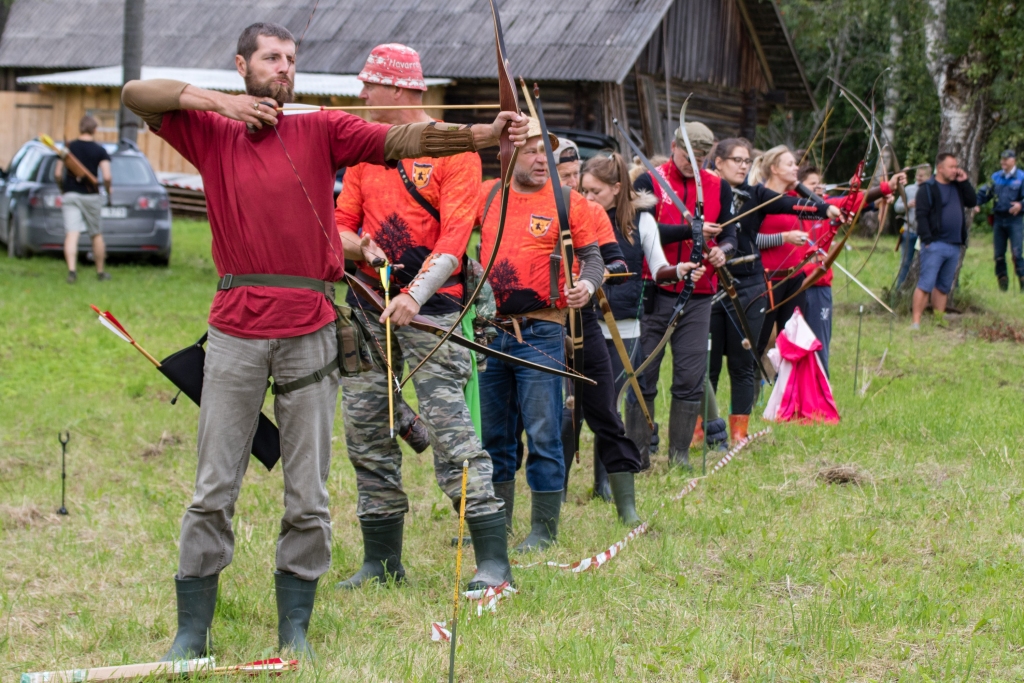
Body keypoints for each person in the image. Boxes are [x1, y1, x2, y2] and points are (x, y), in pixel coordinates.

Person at [121, 22, 528, 660]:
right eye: (271, 58)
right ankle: (191, 632)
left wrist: (481, 134)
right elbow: (136, 92)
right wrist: (220, 103)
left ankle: (296, 629)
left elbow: (405, 135)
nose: (283, 68)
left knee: (308, 490)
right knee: (213, 487)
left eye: (290, 59)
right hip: (235, 326)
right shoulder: (210, 131)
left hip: (310, 328)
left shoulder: (320, 128)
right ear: (242, 64)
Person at [333, 44, 511, 592]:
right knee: (366, 431)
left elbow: (456, 238)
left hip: (434, 312)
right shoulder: (366, 153)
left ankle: (493, 563)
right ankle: (382, 563)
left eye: (370, 86)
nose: (362, 96)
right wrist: (359, 248)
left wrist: (414, 295)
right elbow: (337, 229)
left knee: (452, 433)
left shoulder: (455, 148)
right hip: (366, 310)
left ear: (399, 89)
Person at [477, 128, 604, 551]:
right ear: (508, 154)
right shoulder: (488, 195)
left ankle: (543, 531)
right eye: (529, 151)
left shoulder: (569, 202)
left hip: (543, 330)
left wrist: (586, 285)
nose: (538, 159)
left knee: (544, 432)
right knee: (495, 437)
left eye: (543, 152)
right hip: (490, 332)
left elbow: (592, 257)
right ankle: (498, 524)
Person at [579, 152, 704, 482]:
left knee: (611, 406)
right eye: (584, 191)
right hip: (580, 322)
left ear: (617, 188)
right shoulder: (577, 217)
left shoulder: (640, 221)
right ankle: (559, 486)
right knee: (572, 407)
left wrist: (679, 270)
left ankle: (606, 482)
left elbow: (659, 267)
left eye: (596, 192)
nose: (588, 198)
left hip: (623, 326)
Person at [707, 139, 836, 442]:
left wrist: (825, 208)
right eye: (736, 160)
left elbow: (790, 203)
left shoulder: (756, 194)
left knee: (742, 362)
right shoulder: (707, 195)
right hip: (713, 285)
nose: (742, 165)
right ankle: (704, 431)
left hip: (749, 285)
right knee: (708, 367)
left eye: (746, 160)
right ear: (718, 163)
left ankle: (739, 434)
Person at [631, 119, 735, 469]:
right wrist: (691, 231)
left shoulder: (719, 188)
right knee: (643, 375)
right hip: (656, 291)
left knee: (691, 376)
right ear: (674, 146)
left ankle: (679, 456)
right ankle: (638, 456)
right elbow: (644, 230)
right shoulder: (648, 181)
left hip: (699, 294)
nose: (695, 163)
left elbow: (732, 233)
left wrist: (723, 250)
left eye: (702, 157)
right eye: (688, 155)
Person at [912, 153, 977, 329]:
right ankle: (916, 321)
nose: (955, 170)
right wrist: (927, 240)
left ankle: (938, 320)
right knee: (926, 283)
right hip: (935, 243)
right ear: (940, 168)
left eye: (956, 166)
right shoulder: (928, 187)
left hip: (954, 244)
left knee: (943, 286)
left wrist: (964, 181)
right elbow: (921, 215)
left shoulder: (958, 186)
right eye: (951, 167)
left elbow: (972, 201)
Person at [56, 115, 113, 284]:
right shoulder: (100, 150)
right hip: (92, 196)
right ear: (95, 130)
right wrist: (108, 192)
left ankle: (72, 271)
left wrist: (63, 189)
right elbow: (108, 176)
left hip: (70, 194)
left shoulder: (67, 148)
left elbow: (58, 173)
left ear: (80, 128)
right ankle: (101, 272)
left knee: (71, 234)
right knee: (96, 234)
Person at [976, 150, 1024, 291]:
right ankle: (1003, 286)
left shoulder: (1021, 177)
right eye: (1002, 159)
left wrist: (1021, 205)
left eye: (1006, 159)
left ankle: (1022, 284)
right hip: (998, 219)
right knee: (998, 254)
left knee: (1017, 253)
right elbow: (984, 193)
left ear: (1013, 160)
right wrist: (976, 203)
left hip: (1015, 219)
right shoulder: (996, 177)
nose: (1003, 162)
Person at [894, 164, 932, 290]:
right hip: (909, 231)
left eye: (922, 175)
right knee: (905, 263)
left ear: (929, 176)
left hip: (926, 234)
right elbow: (896, 208)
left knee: (925, 264)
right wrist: (907, 205)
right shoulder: (909, 189)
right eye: (917, 175)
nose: (919, 178)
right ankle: (899, 291)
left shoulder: (932, 190)